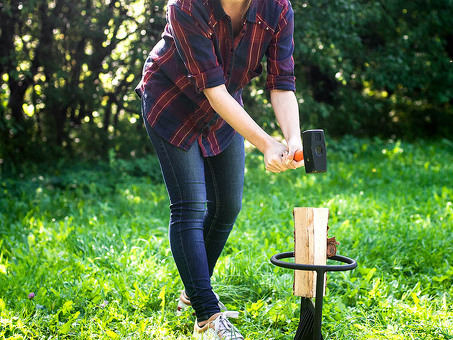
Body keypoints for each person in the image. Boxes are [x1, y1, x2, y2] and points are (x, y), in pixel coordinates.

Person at [135, 0, 303, 338]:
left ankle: (192, 295)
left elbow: (281, 82)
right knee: (191, 206)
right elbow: (213, 90)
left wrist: (293, 137)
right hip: (172, 103)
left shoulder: (278, 9)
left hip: (225, 111)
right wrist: (266, 143)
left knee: (228, 206)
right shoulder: (185, 6)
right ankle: (207, 316)